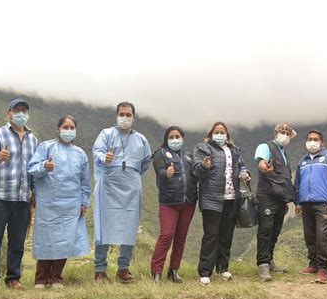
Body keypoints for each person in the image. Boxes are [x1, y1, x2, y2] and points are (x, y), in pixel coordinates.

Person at [0, 98, 38, 290]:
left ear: (28, 115)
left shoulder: (33, 139)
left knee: (18, 242)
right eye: (17, 110)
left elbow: (34, 169)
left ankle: (13, 278)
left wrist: (35, 193)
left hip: (22, 198)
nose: (21, 113)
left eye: (24, 111)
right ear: (9, 113)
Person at [27, 115, 91, 289]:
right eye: (65, 127)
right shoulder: (46, 147)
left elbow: (85, 181)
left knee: (65, 241)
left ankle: (56, 278)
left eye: (72, 128)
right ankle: (40, 279)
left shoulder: (80, 154)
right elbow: (32, 169)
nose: (68, 131)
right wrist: (44, 167)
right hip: (48, 204)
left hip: (71, 204)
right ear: (58, 129)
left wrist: (84, 202)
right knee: (45, 240)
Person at [92, 101, 152, 284]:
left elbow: (146, 162)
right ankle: (100, 270)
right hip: (109, 185)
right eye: (122, 114)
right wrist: (106, 158)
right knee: (103, 227)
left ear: (133, 117)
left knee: (129, 227)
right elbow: (97, 153)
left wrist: (131, 174)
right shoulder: (106, 134)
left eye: (128, 115)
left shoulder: (141, 139)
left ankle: (123, 268)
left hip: (131, 187)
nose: (125, 118)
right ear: (116, 116)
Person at [193, 121, 249, 285]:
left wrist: (245, 174)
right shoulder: (203, 149)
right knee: (211, 236)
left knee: (226, 235)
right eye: (216, 132)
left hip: (232, 197)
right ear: (211, 134)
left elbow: (241, 167)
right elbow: (196, 171)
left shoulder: (234, 150)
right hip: (211, 199)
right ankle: (205, 272)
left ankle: (222, 269)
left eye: (222, 132)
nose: (219, 135)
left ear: (227, 135)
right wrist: (204, 166)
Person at [150, 126, 198, 283]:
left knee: (181, 237)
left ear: (183, 138)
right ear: (166, 139)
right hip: (169, 203)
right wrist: (167, 173)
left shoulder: (189, 156)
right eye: (171, 137)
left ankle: (174, 271)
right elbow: (160, 172)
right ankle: (156, 272)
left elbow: (196, 175)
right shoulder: (160, 154)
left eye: (178, 136)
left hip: (188, 202)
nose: (175, 139)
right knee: (166, 236)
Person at [294, 130, 327, 284]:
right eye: (310, 139)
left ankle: (323, 269)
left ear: (322, 142)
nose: (312, 141)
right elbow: (298, 183)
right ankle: (313, 264)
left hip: (324, 203)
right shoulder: (302, 161)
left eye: (316, 139)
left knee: (322, 236)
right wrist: (297, 202)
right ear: (306, 141)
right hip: (306, 203)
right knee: (310, 236)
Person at [254, 123, 296, 281]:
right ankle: (263, 265)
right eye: (282, 132)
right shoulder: (265, 147)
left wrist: (286, 201)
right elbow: (262, 164)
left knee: (275, 230)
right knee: (265, 230)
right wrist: (265, 168)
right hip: (267, 197)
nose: (284, 135)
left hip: (280, 198)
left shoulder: (284, 154)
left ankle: (269, 259)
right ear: (275, 133)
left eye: (287, 133)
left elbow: (284, 179)